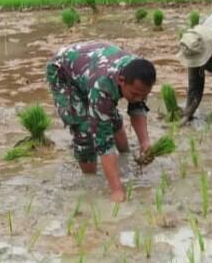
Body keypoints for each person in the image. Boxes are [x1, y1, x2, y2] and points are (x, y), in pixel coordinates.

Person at [46, 41, 156, 202]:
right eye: (135, 94)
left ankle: (125, 156)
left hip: (92, 67)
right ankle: (90, 179)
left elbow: (137, 108)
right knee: (84, 131)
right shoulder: (103, 85)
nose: (139, 98)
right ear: (121, 81)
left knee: (110, 117)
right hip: (63, 71)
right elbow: (104, 142)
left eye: (143, 95)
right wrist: (116, 189)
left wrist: (145, 143)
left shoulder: (139, 75)